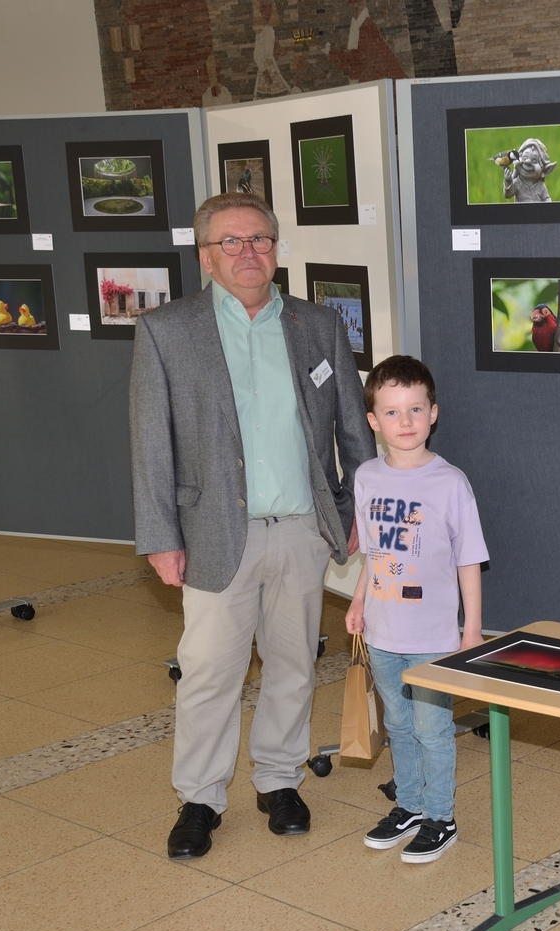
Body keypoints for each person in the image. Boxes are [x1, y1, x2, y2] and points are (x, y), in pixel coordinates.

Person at [129, 191, 372, 859]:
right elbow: (150, 443)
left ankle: (279, 779)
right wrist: (161, 536)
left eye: (260, 239)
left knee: (294, 662)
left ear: (276, 249)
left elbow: (353, 428)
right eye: (231, 242)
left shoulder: (317, 324)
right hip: (211, 530)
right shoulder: (166, 330)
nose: (248, 253)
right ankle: (200, 797)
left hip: (302, 528)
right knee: (210, 671)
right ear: (206, 255)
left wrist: (355, 508)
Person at [347, 355, 486, 863]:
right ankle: (408, 805)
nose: (404, 422)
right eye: (391, 412)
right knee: (399, 727)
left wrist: (471, 631)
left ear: (433, 413)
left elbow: (469, 560)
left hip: (433, 638)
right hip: (383, 633)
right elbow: (373, 551)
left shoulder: (450, 482)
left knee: (432, 730)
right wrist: (359, 600)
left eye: (415, 409)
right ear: (373, 421)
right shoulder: (367, 476)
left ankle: (440, 816)